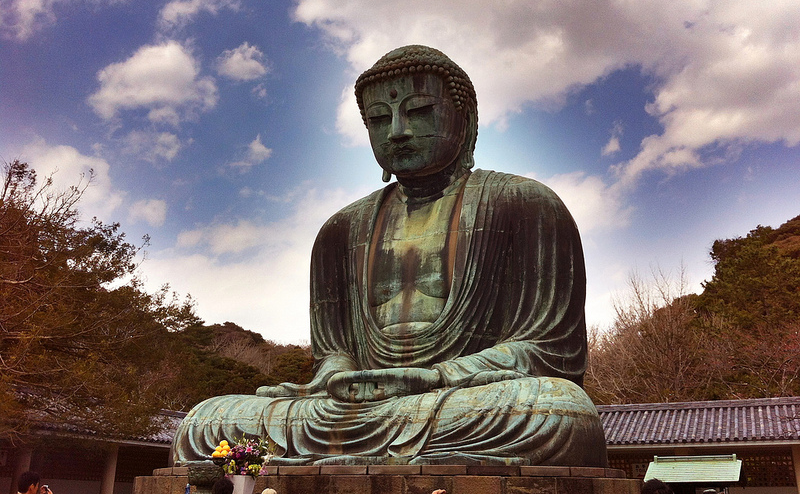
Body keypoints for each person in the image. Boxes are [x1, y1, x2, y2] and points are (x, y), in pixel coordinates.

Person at [172, 45, 607, 467]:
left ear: (466, 119)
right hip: (353, 409)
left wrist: (438, 376)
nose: (397, 131)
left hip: (460, 397)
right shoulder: (340, 230)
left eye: (417, 111)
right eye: (379, 119)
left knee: (558, 411)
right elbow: (334, 353)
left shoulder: (525, 203)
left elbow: (551, 351)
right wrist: (333, 377)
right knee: (206, 421)